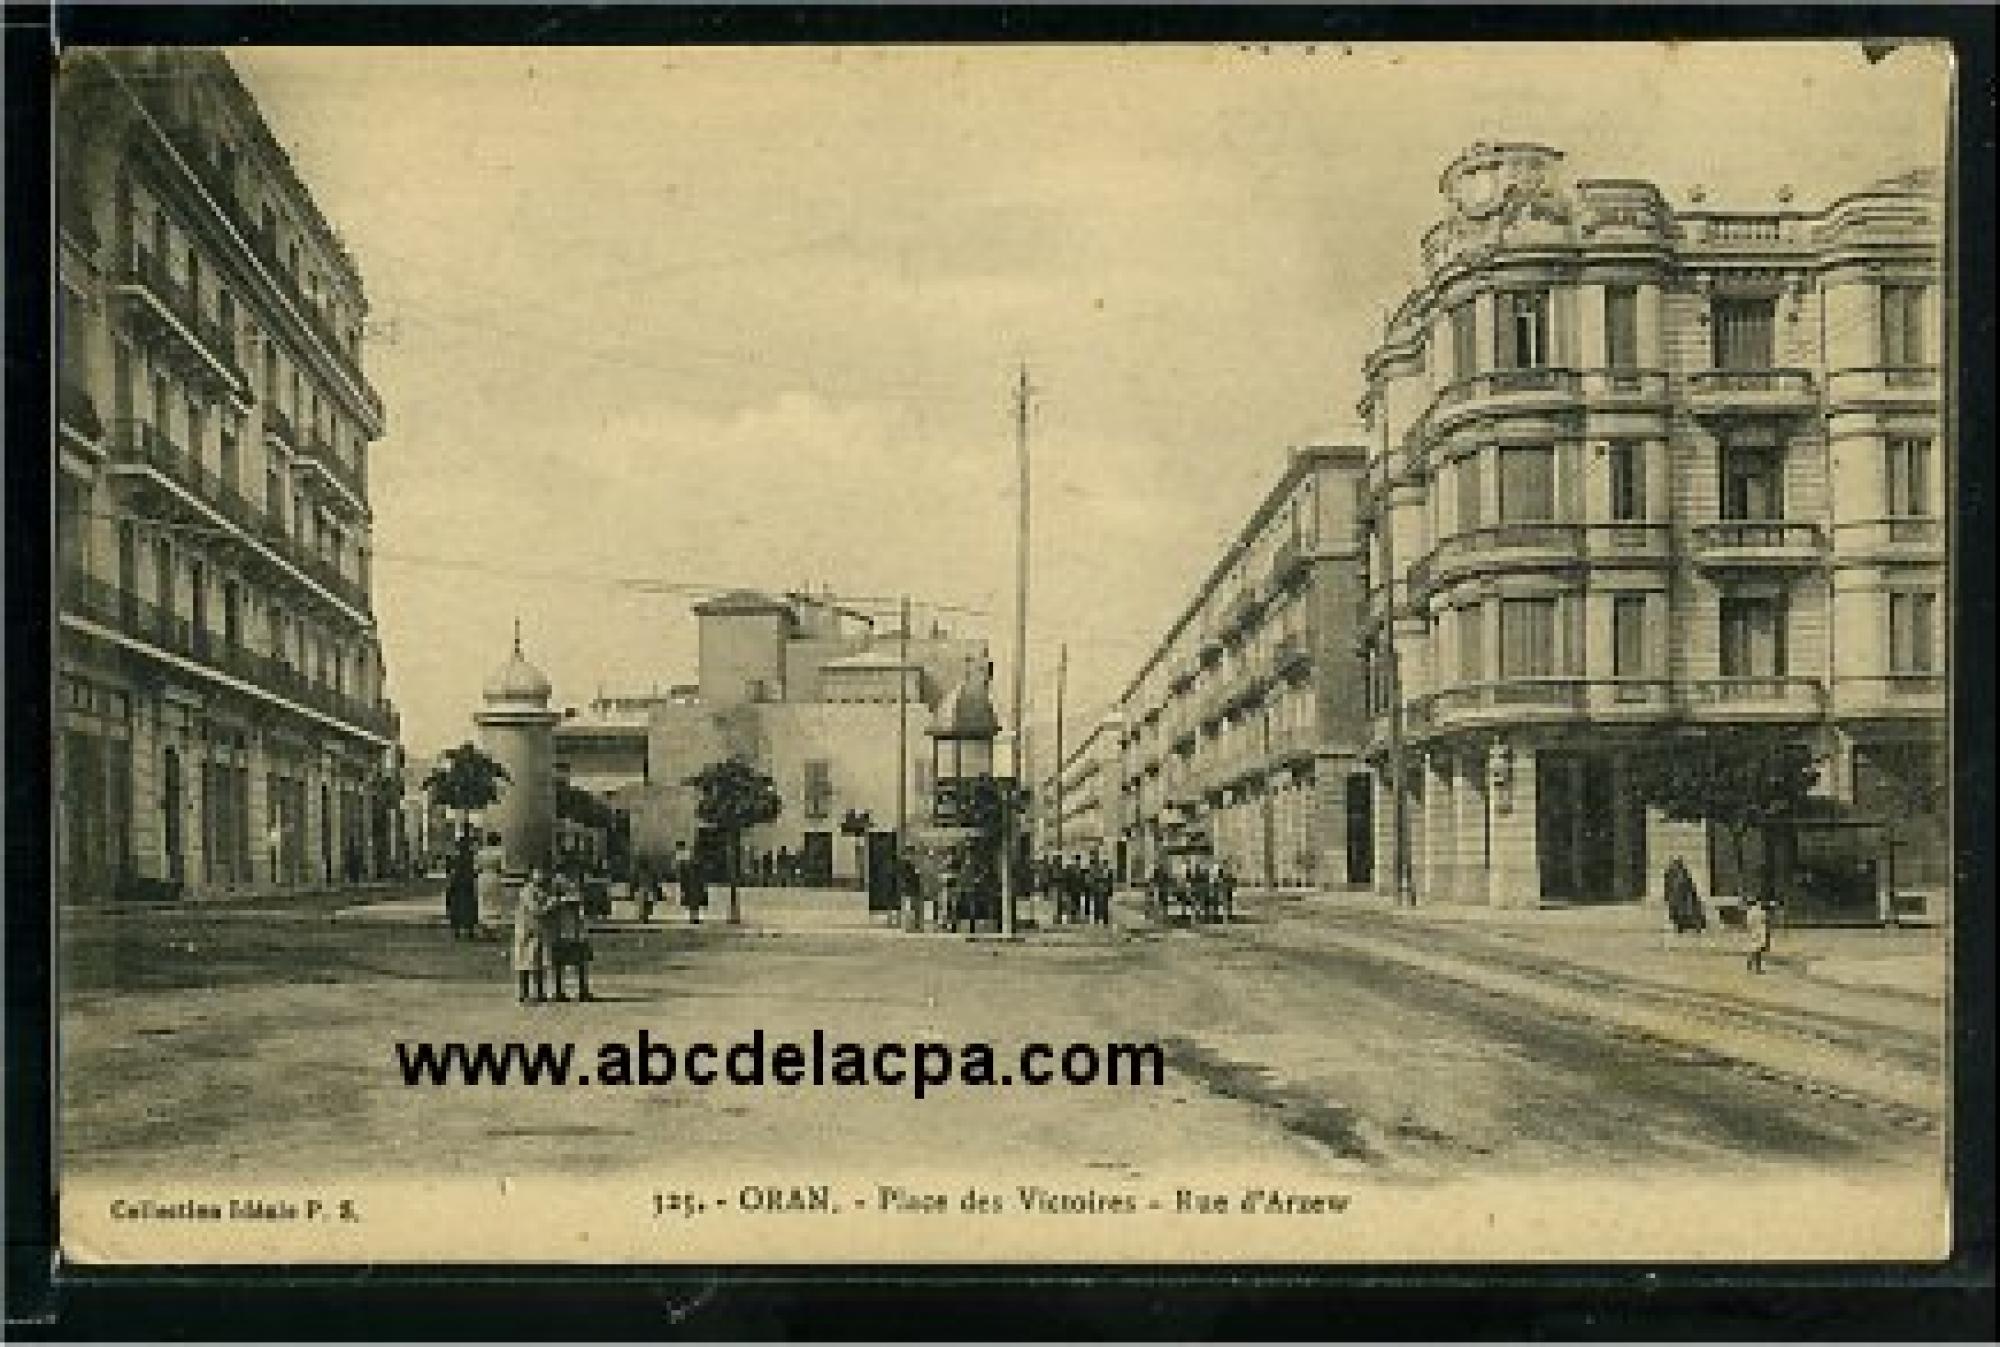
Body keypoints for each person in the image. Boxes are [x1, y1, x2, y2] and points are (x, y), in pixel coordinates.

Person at [548, 877, 596, 1002]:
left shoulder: (576, 899)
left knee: (580, 962)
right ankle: (559, 991)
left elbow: (582, 912)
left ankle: (582, 990)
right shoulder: (556, 900)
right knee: (560, 963)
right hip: (562, 933)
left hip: (575, 933)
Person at [512, 867, 553, 1003]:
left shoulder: (543, 891)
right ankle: (523, 993)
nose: (541, 877)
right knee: (525, 963)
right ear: (532, 876)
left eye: (542, 874)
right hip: (526, 930)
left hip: (538, 930)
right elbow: (536, 909)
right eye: (538, 874)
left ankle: (539, 992)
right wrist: (551, 905)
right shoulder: (527, 891)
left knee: (538, 962)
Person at [443, 835, 478, 939]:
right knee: (468, 906)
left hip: (459, 883)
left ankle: (458, 929)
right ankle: (469, 928)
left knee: (457, 905)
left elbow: (450, 869)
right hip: (467, 883)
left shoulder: (456, 857)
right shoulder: (471, 856)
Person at [474, 831, 507, 936]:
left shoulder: (481, 852)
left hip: (483, 877)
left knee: (483, 902)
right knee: (495, 902)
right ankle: (494, 929)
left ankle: (484, 928)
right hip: (494, 877)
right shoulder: (500, 852)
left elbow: (476, 868)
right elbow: (502, 868)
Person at [1663, 856, 1706, 934]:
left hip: (1682, 904)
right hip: (1684, 904)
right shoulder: (1680, 876)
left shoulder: (1671, 876)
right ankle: (1688, 922)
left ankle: (1684, 923)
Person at [676, 842, 708, 924]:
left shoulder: (685, 858)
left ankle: (694, 917)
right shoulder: (684, 858)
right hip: (691, 882)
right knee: (693, 902)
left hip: (692, 882)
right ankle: (694, 917)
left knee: (694, 902)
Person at [1745, 893, 1776, 973]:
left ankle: (1750, 964)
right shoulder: (1760, 911)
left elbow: (1748, 923)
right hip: (1759, 932)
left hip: (1754, 932)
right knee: (1758, 951)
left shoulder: (1750, 912)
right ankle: (1757, 968)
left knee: (1754, 949)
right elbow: (1765, 922)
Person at [1214, 860, 1237, 924]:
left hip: (1227, 889)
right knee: (1225, 903)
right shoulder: (1224, 872)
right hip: (1225, 889)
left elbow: (1233, 880)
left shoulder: (1226, 872)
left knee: (1226, 903)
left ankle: (1227, 916)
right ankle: (1226, 917)